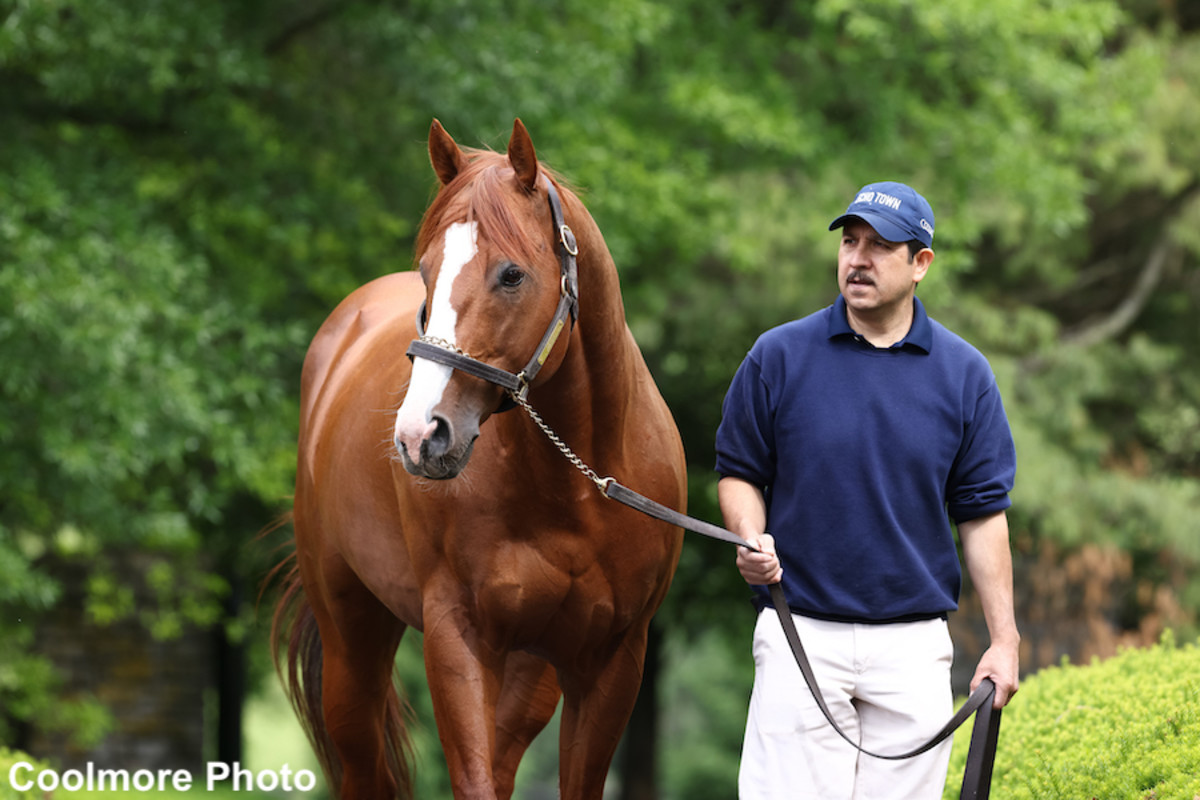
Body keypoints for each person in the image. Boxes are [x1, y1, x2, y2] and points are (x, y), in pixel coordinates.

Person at [714, 181, 1020, 800]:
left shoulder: (965, 375)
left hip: (913, 647)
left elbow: (983, 514)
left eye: (881, 247)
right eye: (851, 242)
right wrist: (752, 537)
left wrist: (1004, 640)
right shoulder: (777, 356)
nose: (858, 259)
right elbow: (739, 471)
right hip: (800, 630)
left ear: (920, 265)